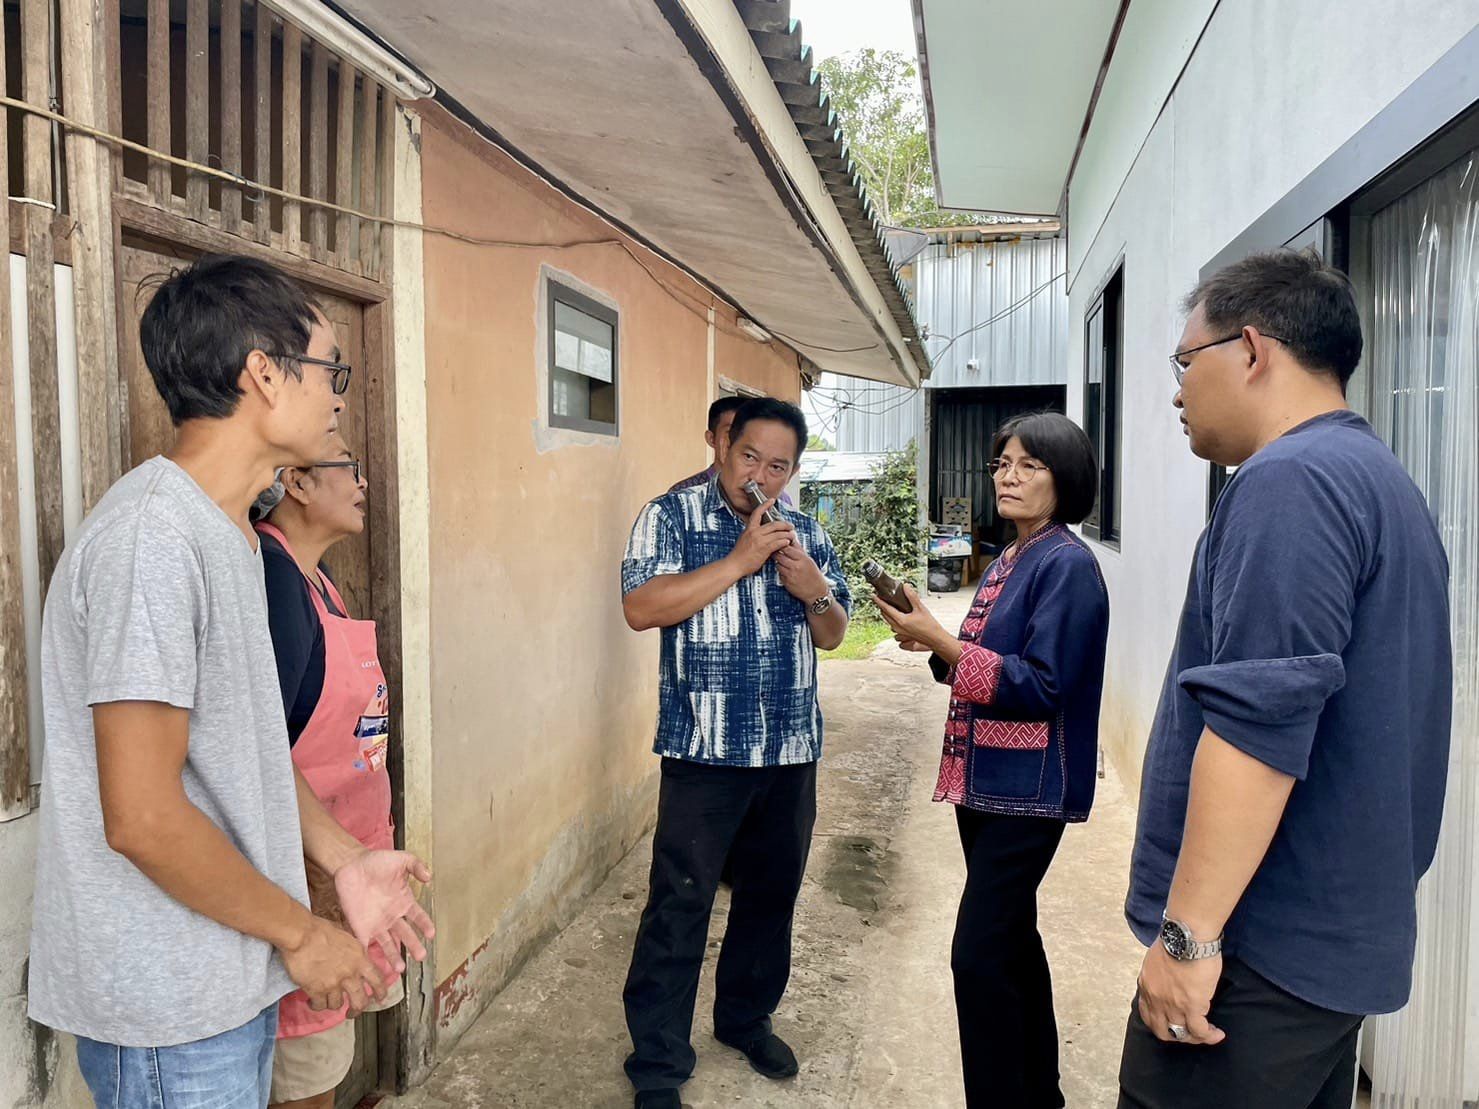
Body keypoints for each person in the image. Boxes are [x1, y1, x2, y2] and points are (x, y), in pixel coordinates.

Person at [28, 254, 433, 1109]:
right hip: (169, 1010)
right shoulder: (153, 541)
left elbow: (241, 749)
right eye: (332, 371)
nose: (338, 398)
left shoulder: (234, 535)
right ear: (261, 372)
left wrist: (343, 859)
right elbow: (141, 814)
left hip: (222, 978)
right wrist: (301, 932)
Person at [1119, 248, 1451, 1108]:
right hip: (1329, 951)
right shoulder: (1382, 483)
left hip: (1258, 954)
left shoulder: (1289, 482)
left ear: (1252, 350)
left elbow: (1254, 734)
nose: (1176, 389)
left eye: (1184, 361)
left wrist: (1187, 941)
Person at [619, 397, 850, 1109]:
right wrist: (740, 558)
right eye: (750, 456)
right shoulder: (670, 515)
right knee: (678, 905)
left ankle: (744, 1019)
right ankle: (657, 1063)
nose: (761, 474)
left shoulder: (806, 530)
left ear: (793, 468)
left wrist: (814, 592)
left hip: (788, 749)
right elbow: (641, 607)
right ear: (724, 446)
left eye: (778, 464)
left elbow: (835, 633)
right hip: (702, 752)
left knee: (769, 898)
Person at [873, 411, 1108, 1109]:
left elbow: (1041, 685)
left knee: (975, 957)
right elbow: (991, 662)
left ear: (1063, 477)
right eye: (1001, 463)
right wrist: (935, 644)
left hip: (1026, 791)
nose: (1008, 476)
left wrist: (943, 643)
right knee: (1010, 942)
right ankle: (1039, 1094)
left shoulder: (1065, 563)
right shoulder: (1015, 554)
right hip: (989, 782)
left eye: (1028, 465)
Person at [250, 437, 400, 1109]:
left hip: (344, 867)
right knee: (304, 1076)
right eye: (351, 465)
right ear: (297, 483)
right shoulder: (276, 582)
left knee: (325, 1062)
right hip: (305, 884)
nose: (364, 482)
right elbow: (257, 754)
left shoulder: (315, 579)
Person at [671, 394, 792, 504]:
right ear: (711, 438)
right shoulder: (680, 495)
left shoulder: (780, 500)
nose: (741, 441)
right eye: (731, 432)